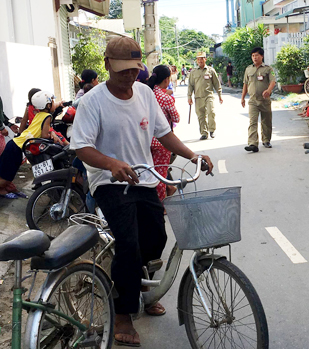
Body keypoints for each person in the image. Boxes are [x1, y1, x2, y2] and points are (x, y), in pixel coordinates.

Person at [70, 36, 213, 347]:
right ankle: (123, 313)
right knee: (130, 244)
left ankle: (132, 280)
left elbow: (164, 134)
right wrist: (111, 164)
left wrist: (193, 155)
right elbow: (81, 146)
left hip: (145, 179)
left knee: (156, 239)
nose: (129, 76)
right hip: (109, 183)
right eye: (122, 70)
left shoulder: (146, 93)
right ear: (107, 65)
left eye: (134, 69)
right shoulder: (93, 101)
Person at [0, 91, 63, 198]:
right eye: (52, 101)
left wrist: (51, 133)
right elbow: (43, 135)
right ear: (47, 105)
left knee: (7, 174)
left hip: (15, 145)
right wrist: (53, 137)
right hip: (17, 147)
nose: (54, 103)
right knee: (6, 176)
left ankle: (3, 190)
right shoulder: (47, 116)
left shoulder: (39, 114)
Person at [147, 65, 180, 201]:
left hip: (145, 140)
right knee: (160, 174)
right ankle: (160, 204)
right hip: (162, 141)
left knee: (148, 174)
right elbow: (176, 118)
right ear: (167, 79)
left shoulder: (146, 94)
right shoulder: (165, 98)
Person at [241, 47, 276, 152]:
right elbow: (245, 84)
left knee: (266, 121)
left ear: (262, 56)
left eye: (256, 55)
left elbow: (273, 81)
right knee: (252, 122)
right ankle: (253, 144)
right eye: (253, 56)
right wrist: (243, 97)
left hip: (265, 100)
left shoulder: (268, 69)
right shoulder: (248, 69)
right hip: (253, 101)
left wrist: (268, 91)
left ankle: (266, 140)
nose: (254, 57)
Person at [187, 52, 223, 140]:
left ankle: (212, 130)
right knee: (200, 115)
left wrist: (220, 95)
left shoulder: (210, 70)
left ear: (205, 59)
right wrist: (189, 97)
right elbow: (190, 85)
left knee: (211, 112)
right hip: (198, 97)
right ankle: (204, 133)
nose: (200, 60)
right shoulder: (193, 72)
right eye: (198, 59)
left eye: (202, 58)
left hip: (208, 95)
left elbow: (216, 84)